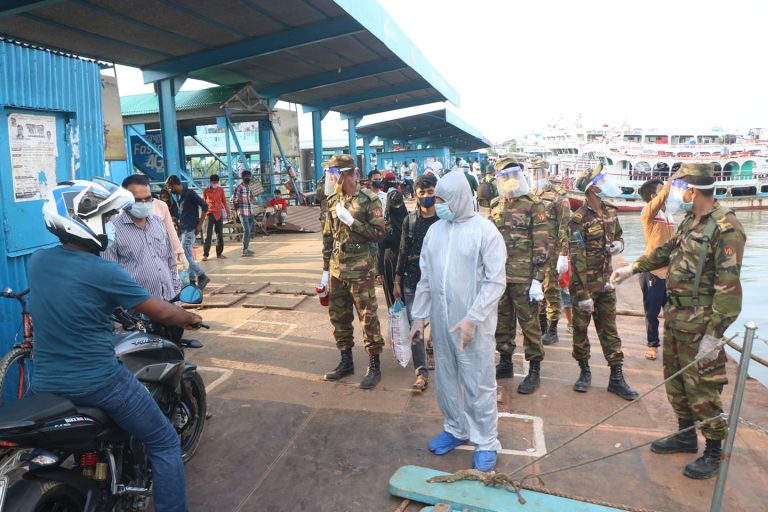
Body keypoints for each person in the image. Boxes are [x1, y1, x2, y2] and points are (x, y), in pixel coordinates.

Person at [32, 178, 203, 512]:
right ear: (85, 223)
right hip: (98, 382)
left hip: (46, 383)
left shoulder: (38, 262)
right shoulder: (103, 271)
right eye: (106, 219)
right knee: (165, 441)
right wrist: (189, 318)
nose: (111, 226)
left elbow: (74, 300)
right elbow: (162, 311)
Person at [611, 163, 745, 479]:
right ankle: (686, 435)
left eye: (681, 187)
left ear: (693, 190)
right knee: (677, 381)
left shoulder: (726, 228)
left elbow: (729, 291)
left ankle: (713, 452)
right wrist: (632, 269)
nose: (678, 193)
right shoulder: (689, 220)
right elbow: (665, 251)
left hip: (701, 325)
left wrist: (713, 337)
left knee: (703, 389)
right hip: (675, 317)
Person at [408, 171, 506, 472]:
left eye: (441, 199)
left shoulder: (485, 232)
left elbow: (495, 282)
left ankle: (486, 440)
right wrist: (418, 317)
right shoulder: (435, 232)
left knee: (478, 382)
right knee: (447, 379)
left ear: (459, 198)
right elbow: (426, 279)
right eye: (436, 198)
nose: (436, 204)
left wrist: (472, 318)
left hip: (472, 325)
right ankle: (455, 428)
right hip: (441, 321)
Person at [568, 164, 637, 400]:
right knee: (580, 329)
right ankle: (584, 371)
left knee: (609, 329)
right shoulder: (578, 219)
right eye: (602, 179)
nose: (606, 181)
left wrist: (619, 245)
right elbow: (577, 259)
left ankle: (616, 378)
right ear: (592, 187)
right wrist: (584, 293)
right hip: (584, 285)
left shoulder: (610, 211)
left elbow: (618, 236)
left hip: (607, 282)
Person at [320, 154, 387, 389]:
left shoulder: (369, 200)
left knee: (368, 318)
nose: (331, 179)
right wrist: (325, 271)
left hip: (361, 270)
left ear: (348, 175)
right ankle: (346, 361)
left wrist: (352, 222)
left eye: (335, 174)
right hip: (338, 269)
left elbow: (380, 234)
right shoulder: (332, 201)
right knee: (339, 317)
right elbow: (328, 237)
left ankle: (374, 365)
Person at [491, 158, 548, 394]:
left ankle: (534, 369)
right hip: (499, 276)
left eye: (512, 176)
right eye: (504, 177)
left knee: (529, 324)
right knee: (502, 322)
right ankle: (505, 362)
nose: (508, 181)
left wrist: (538, 279)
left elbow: (542, 245)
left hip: (524, 278)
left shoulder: (533, 205)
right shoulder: (496, 204)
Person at [394, 174, 439, 392]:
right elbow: (403, 251)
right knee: (416, 327)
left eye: (430, 193)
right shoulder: (409, 221)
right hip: (413, 279)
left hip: (440, 281)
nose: (427, 197)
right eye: (422, 193)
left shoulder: (444, 219)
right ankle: (421, 372)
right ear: (416, 195)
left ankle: (432, 350)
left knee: (439, 324)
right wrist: (397, 279)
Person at [104, 176, 181, 301]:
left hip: (170, 301)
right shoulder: (112, 231)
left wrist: (175, 289)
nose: (144, 204)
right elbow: (110, 275)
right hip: (138, 311)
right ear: (125, 201)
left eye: (148, 199)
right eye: (138, 200)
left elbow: (170, 260)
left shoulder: (158, 223)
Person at [531, 160, 571, 345]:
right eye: (531, 171)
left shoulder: (557, 196)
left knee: (551, 290)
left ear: (545, 172)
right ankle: (542, 327)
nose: (534, 175)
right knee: (536, 289)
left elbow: (565, 226)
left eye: (537, 171)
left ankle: (553, 330)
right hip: (534, 252)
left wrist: (564, 254)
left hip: (552, 252)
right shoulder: (529, 195)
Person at [637, 178, 674, 360]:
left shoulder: (669, 214)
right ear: (653, 196)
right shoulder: (648, 213)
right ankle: (652, 345)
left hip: (670, 272)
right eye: (661, 190)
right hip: (653, 271)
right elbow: (664, 195)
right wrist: (671, 181)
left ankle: (673, 346)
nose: (667, 193)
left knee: (674, 312)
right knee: (652, 313)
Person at [165, 175, 210, 289]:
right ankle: (191, 281)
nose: (170, 190)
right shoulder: (181, 197)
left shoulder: (190, 194)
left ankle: (202, 275)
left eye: (170, 187)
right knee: (187, 255)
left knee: (184, 255)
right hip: (184, 229)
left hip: (190, 229)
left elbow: (205, 206)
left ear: (175, 185)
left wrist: (200, 224)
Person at [377, 190, 407, 308]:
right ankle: (397, 325)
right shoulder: (384, 226)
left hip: (407, 264)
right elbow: (380, 249)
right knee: (394, 301)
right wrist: (379, 271)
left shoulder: (410, 220)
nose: (398, 207)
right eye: (395, 205)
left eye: (399, 204)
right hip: (390, 265)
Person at [202, 174, 230, 261]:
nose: (215, 184)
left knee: (220, 234)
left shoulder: (221, 190)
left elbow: (224, 202)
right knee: (208, 235)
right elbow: (204, 203)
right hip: (210, 214)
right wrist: (203, 215)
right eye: (214, 182)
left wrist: (227, 212)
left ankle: (219, 253)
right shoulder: (206, 191)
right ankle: (205, 255)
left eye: (217, 182)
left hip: (219, 213)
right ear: (210, 182)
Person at [232, 170, 255, 257]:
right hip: (242, 212)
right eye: (246, 176)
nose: (248, 178)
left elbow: (251, 198)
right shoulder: (239, 187)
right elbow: (234, 199)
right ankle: (244, 250)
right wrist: (236, 212)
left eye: (249, 176)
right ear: (242, 177)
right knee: (247, 230)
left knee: (249, 232)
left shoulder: (249, 187)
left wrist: (253, 196)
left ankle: (246, 248)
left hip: (250, 212)